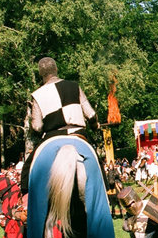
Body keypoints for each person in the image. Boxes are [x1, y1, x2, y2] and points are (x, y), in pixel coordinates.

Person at [19, 57, 99, 193]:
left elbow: (37, 126)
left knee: (27, 169)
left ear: (40, 73)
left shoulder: (37, 95)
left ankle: (25, 193)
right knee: (98, 165)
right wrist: (95, 125)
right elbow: (91, 114)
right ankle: (106, 191)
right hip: (78, 132)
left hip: (52, 136)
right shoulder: (74, 86)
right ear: (56, 69)